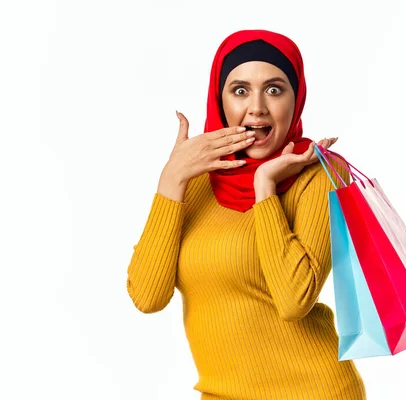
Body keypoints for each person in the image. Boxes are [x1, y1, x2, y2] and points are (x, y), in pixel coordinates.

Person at [126, 29, 366, 399]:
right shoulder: (197, 181)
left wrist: (264, 185)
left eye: (274, 89)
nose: (256, 107)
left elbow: (293, 301)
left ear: (296, 97)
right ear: (220, 100)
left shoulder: (318, 176)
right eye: (240, 90)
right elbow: (147, 296)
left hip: (312, 391)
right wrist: (172, 179)